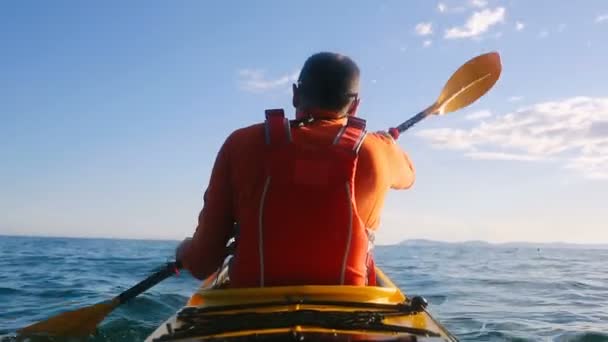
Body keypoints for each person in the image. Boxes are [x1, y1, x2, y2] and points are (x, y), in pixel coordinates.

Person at [176, 52, 415, 287]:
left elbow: (202, 264)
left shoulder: (240, 143)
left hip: (252, 309)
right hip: (349, 310)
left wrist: (185, 249)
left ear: (295, 95)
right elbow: (409, 176)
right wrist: (387, 143)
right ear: (355, 106)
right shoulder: (378, 151)